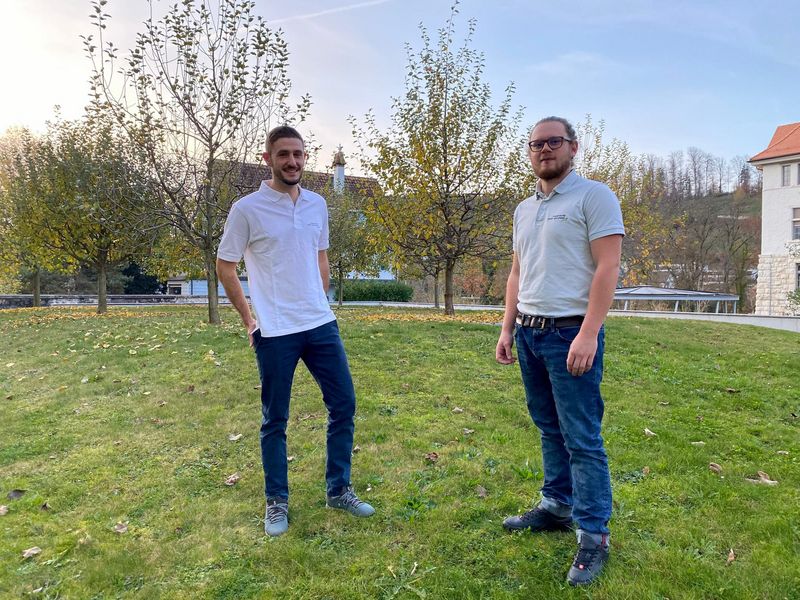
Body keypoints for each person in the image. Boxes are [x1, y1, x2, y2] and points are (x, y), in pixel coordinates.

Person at [216, 125, 374, 537]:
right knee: (275, 419)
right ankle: (276, 501)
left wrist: (319, 297)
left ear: (305, 157)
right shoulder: (246, 209)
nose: (292, 161)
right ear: (267, 159)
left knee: (344, 404)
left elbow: (320, 256)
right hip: (275, 331)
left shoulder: (317, 205)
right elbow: (225, 266)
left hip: (320, 324)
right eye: (284, 154)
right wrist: (249, 319)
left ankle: (338, 490)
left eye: (298, 154)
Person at [495, 116, 624, 586]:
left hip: (571, 333)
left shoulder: (594, 196)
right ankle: (556, 506)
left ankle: (594, 536)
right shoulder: (523, 209)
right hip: (529, 333)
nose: (544, 149)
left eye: (554, 141)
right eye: (536, 144)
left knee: (582, 437)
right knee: (549, 427)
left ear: (573, 147)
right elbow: (517, 272)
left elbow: (608, 266)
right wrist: (507, 328)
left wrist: (589, 333)